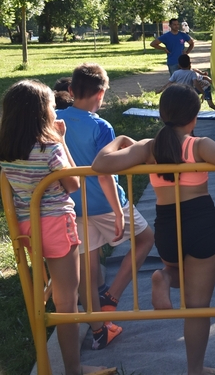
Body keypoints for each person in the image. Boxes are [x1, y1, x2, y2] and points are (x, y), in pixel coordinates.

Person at [92, 84, 215, 375]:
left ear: (163, 114)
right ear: (193, 118)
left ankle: (164, 276)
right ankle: (195, 370)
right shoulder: (198, 145)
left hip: (167, 225)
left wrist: (121, 139)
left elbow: (101, 163)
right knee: (198, 306)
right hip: (201, 222)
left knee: (177, 273)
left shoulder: (150, 147)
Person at [0, 80, 115, 375]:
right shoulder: (49, 147)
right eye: (52, 106)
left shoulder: (7, 149)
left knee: (48, 298)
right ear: (42, 114)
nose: (56, 111)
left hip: (28, 228)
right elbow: (73, 182)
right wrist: (62, 140)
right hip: (57, 226)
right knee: (67, 304)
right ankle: (73, 369)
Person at [56, 63, 155, 344]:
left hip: (73, 205)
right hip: (106, 204)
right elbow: (105, 173)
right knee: (146, 238)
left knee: (88, 268)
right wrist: (117, 211)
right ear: (101, 94)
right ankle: (112, 296)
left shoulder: (54, 119)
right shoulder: (101, 125)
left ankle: (98, 330)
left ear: (71, 90)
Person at [160, 54, 215, 120]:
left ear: (179, 65)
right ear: (189, 63)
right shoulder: (180, 73)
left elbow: (202, 80)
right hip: (194, 88)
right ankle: (187, 117)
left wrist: (206, 91)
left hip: (204, 87)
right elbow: (169, 83)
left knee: (210, 104)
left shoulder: (192, 73)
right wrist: (161, 90)